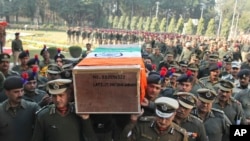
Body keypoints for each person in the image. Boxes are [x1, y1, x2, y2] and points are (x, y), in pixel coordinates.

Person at [32, 79, 97, 141]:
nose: (57, 99)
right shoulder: (43, 115)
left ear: (69, 94)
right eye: (54, 96)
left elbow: (90, 137)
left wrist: (85, 119)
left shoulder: (79, 112)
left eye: (61, 95)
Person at [120, 97, 188, 141]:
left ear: (174, 115)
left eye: (167, 118)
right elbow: (124, 138)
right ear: (156, 113)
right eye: (160, 117)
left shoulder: (180, 135)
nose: (163, 122)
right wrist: (133, 121)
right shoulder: (142, 125)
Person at [0, 76, 40, 141]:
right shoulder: (1, 110)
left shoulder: (32, 108)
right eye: (16, 92)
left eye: (22, 91)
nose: (20, 94)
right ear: (7, 93)